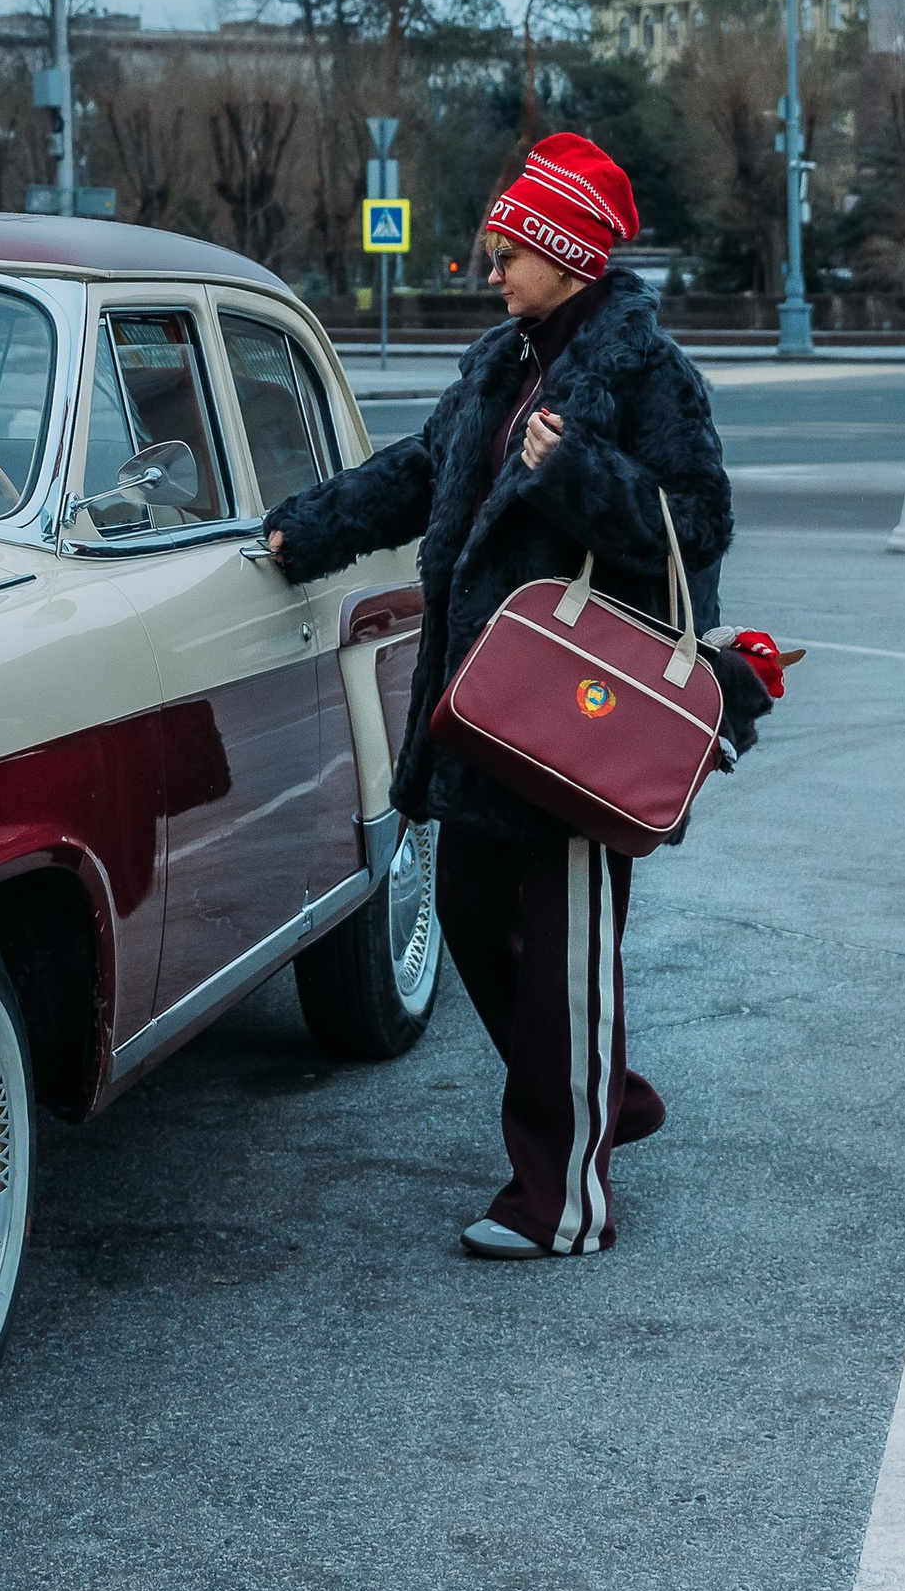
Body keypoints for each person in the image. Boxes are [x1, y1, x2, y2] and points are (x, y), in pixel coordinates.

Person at [263, 131, 741, 1259]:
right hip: (483, 708)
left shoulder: (645, 375)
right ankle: (603, 1089)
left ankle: (561, 1200)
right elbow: (420, 475)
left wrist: (579, 470)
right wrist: (303, 525)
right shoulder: (498, 359)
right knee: (475, 920)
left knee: (565, 950)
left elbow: (698, 525)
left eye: (504, 251)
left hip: (578, 712)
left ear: (563, 250)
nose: (488, 270)